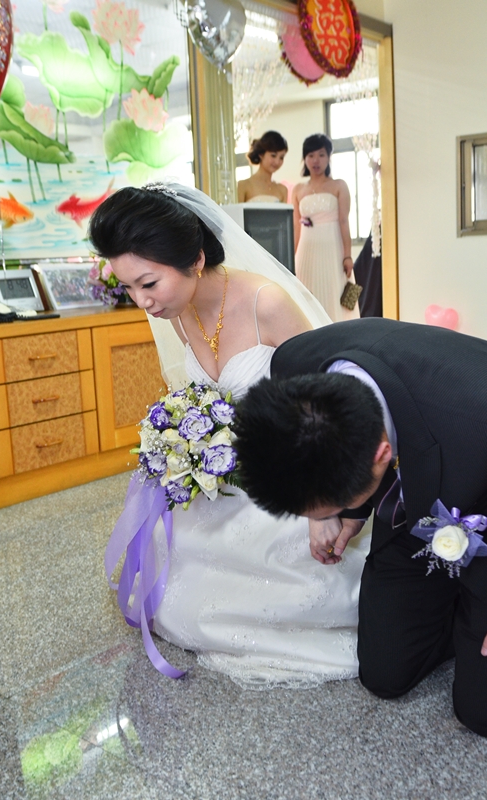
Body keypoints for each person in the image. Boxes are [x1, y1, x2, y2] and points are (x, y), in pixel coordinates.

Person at [89, 183, 372, 688]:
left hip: (298, 466)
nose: (142, 302)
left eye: (148, 283)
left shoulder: (267, 302)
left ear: (196, 259)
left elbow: (328, 404)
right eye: (128, 288)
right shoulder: (178, 312)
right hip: (234, 475)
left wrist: (322, 504)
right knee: (173, 551)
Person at [234, 317, 487, 735]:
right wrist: (330, 514)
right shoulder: (292, 368)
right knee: (385, 673)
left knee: (479, 713)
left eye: (332, 505)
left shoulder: (476, 414)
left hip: (481, 502)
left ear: (382, 454)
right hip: (417, 512)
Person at [293, 133, 360, 322]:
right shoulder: (298, 190)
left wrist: (347, 255)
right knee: (307, 293)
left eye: (321, 155)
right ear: (304, 159)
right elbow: (296, 227)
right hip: (307, 250)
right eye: (311, 155)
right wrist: (291, 259)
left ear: (329, 157)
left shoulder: (339, 185)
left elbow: (344, 221)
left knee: (336, 295)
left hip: (333, 249)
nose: (316, 160)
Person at [237, 131, 289, 203]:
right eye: (273, 155)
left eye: (281, 157)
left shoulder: (282, 190)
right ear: (261, 154)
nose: (277, 162)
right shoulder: (244, 185)